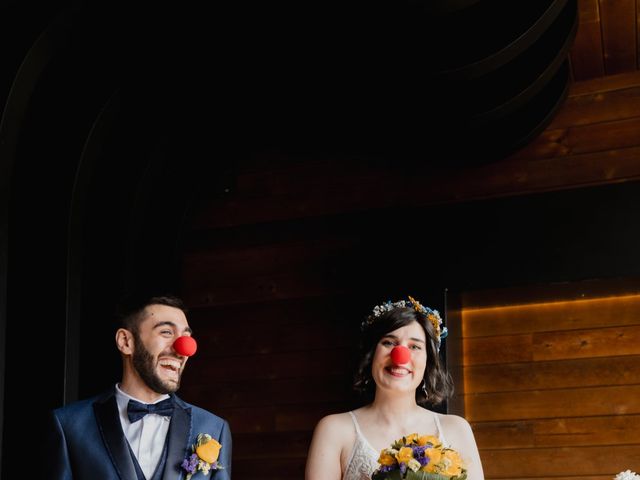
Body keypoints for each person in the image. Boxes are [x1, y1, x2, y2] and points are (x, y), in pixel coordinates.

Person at [46, 293, 232, 479]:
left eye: (186, 336)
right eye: (166, 332)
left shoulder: (213, 428)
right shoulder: (69, 424)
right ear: (126, 342)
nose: (184, 348)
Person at [305, 295, 484, 480]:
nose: (400, 355)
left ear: (427, 361)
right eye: (389, 342)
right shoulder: (334, 429)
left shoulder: (457, 429)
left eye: (414, 346)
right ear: (372, 354)